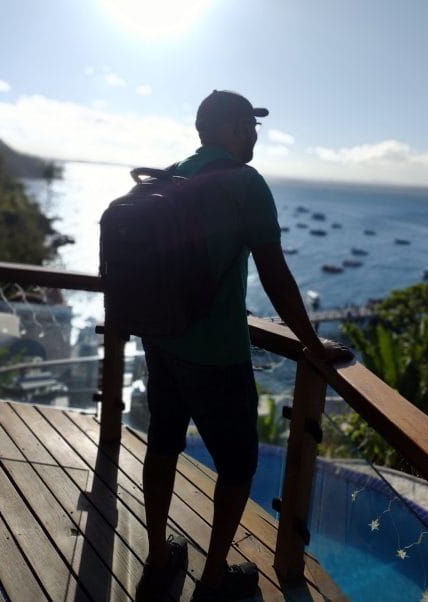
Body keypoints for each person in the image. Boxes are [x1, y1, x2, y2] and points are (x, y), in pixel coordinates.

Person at [136, 90, 352, 602]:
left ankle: (159, 560)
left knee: (163, 442)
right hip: (216, 351)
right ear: (234, 127)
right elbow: (275, 275)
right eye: (251, 125)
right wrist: (312, 344)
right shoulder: (245, 182)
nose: (255, 134)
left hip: (162, 339)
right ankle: (213, 581)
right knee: (238, 465)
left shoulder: (169, 174)